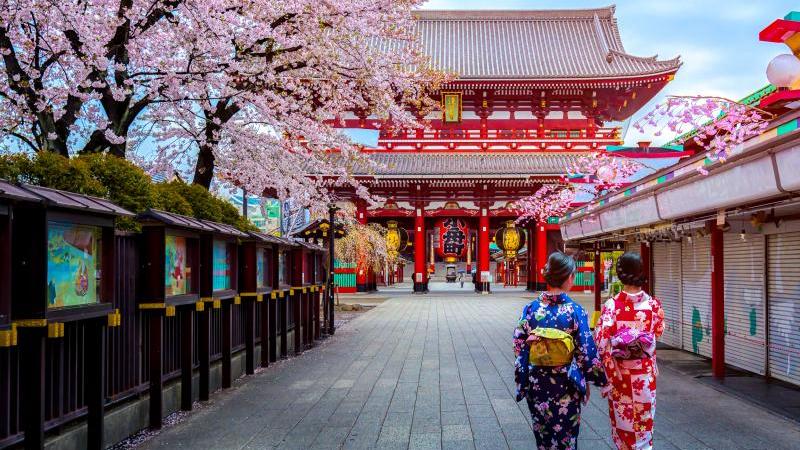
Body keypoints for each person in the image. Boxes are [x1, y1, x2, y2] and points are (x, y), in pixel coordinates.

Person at [513, 252, 607, 450]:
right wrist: (595, 380)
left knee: (543, 436)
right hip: (566, 383)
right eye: (573, 275)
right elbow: (585, 350)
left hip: (537, 382)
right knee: (566, 437)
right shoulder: (575, 310)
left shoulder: (530, 309)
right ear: (568, 277)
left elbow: (519, 344)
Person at [594, 252, 664, 450]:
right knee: (644, 426)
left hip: (620, 376)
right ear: (641, 272)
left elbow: (601, 342)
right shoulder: (653, 305)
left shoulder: (611, 306)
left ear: (620, 274)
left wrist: (608, 372)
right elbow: (658, 332)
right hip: (644, 376)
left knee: (623, 429)